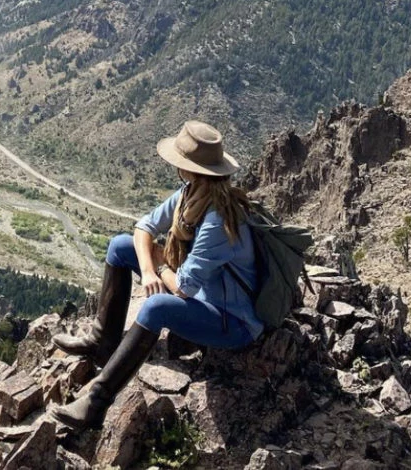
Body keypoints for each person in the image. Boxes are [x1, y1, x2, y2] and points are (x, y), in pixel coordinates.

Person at [50, 120, 263, 430]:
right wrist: (149, 270)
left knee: (155, 307)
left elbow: (185, 288)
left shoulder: (219, 219)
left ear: (189, 169)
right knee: (120, 246)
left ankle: (96, 403)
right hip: (203, 297)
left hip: (233, 321)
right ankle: (102, 341)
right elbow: (143, 227)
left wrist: (161, 266)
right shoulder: (191, 195)